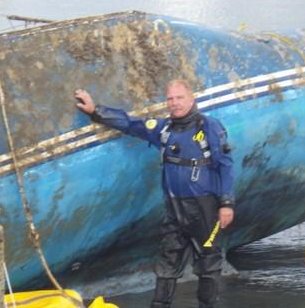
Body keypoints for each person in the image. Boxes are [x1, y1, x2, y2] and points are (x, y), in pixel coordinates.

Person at [75, 80, 234, 308]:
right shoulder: (164, 129)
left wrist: (226, 203)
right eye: (170, 98)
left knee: (208, 264)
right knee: (166, 264)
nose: (174, 103)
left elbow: (225, 165)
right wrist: (96, 111)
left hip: (204, 208)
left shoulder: (208, 127)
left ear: (191, 99)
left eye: (179, 98)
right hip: (174, 209)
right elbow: (131, 124)